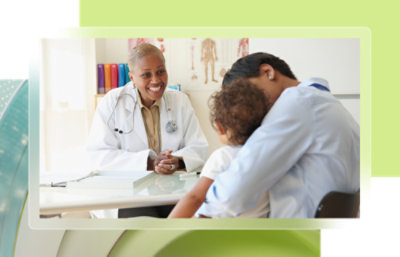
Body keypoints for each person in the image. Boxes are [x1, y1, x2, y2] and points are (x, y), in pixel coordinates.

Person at [198, 52, 360, 218]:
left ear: (268, 71)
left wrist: (198, 217)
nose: (246, 104)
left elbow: (233, 193)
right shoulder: (328, 103)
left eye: (246, 92)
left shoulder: (297, 102)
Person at [86, 43, 208, 218]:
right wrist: (149, 163)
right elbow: (100, 154)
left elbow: (199, 146)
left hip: (171, 190)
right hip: (129, 194)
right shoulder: (112, 102)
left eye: (160, 71)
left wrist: (177, 161)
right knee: (147, 223)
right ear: (132, 78)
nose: (156, 80)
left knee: (189, 221)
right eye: (146, 75)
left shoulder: (180, 101)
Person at [168, 79, 270, 218]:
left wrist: (166, 229)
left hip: (218, 232)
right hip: (257, 232)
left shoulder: (222, 157)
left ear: (219, 127)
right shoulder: (270, 155)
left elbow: (195, 198)